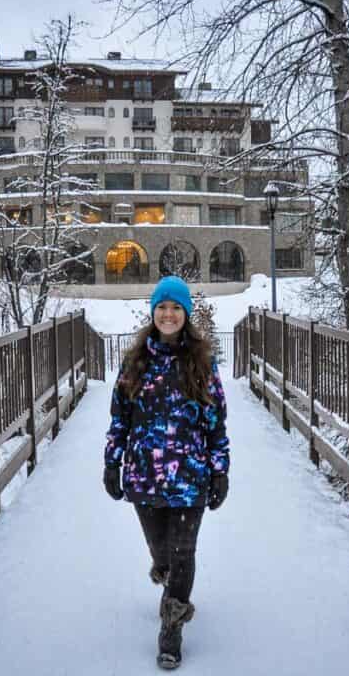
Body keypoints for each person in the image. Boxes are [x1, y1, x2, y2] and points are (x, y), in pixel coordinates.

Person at [103, 275, 230, 670]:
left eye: (176, 307)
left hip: (190, 474)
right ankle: (169, 580)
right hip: (144, 474)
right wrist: (112, 461)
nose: (169, 314)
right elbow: (119, 417)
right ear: (153, 312)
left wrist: (220, 470)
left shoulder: (201, 362)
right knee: (161, 552)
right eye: (162, 307)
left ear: (186, 314)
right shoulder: (135, 362)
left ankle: (171, 627)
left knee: (184, 550)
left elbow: (216, 421)